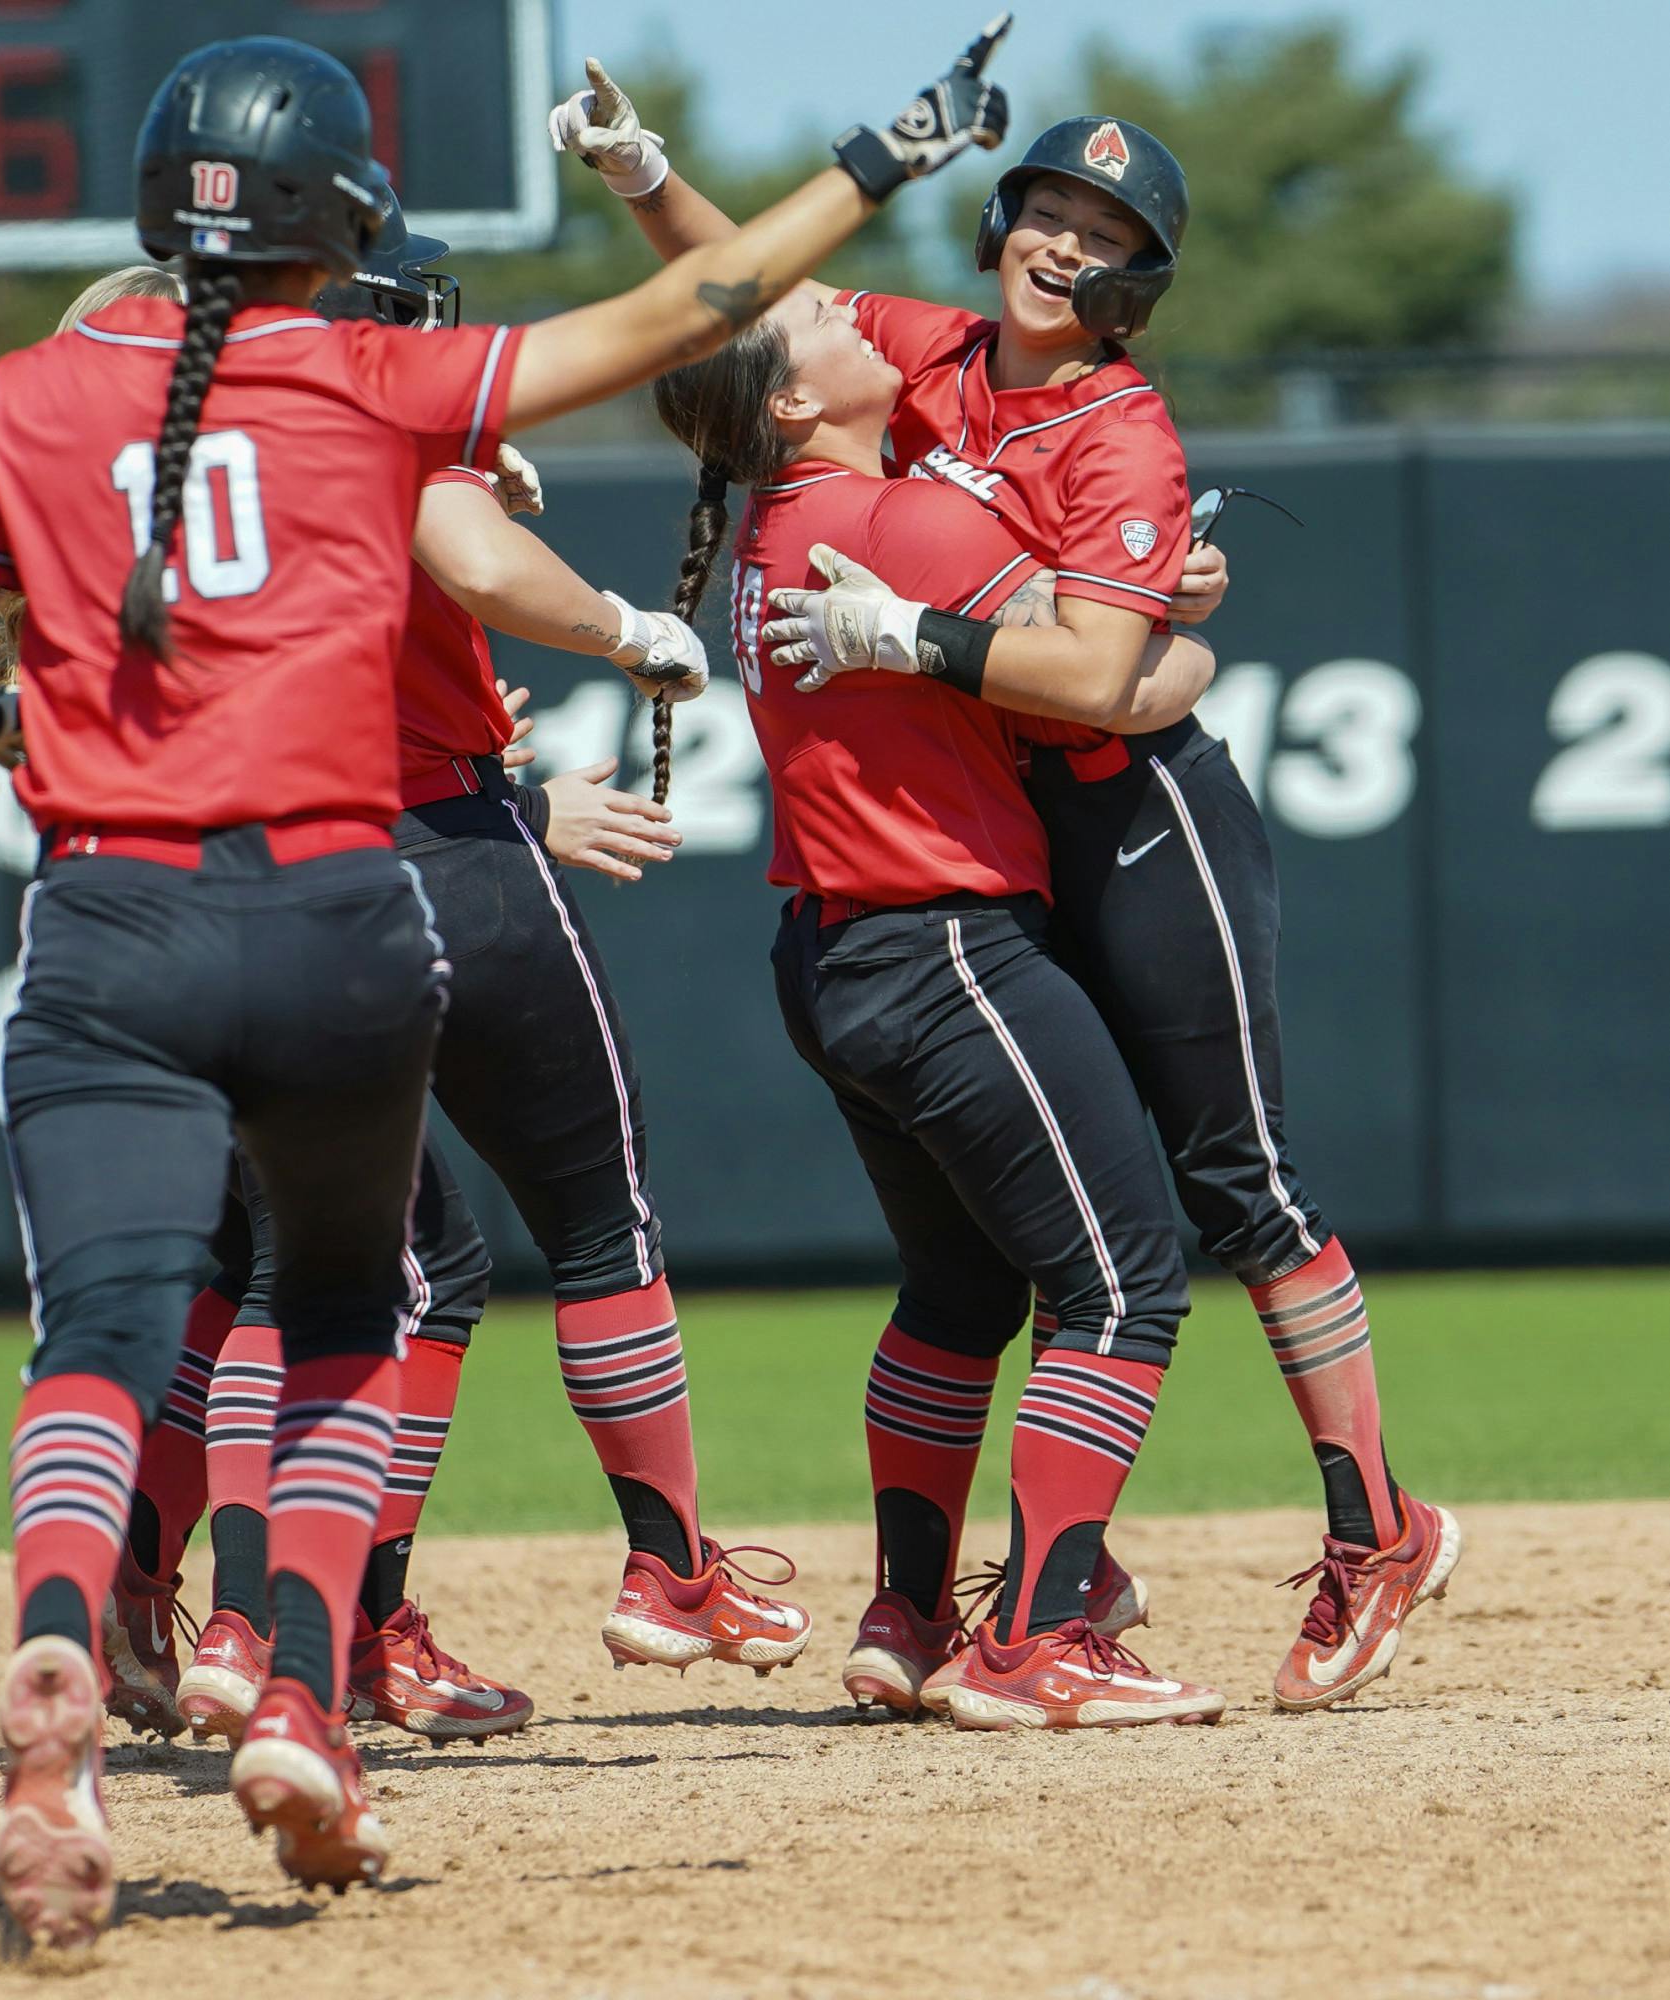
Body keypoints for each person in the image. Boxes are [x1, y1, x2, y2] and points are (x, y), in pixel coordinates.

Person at [0, 27, 1013, 1946]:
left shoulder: (25, 396)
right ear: (336, 217)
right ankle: (305, 1682)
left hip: (110, 921)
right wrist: (875, 159)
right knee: (356, 1319)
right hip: (334, 908)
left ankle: (62, 1668)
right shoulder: (374, 382)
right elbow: (691, 312)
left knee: (107, 1341)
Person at [556, 66, 1458, 1713]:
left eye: (1100, 233)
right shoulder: (929, 356)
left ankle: (1369, 1530)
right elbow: (758, 306)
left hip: (1131, 819)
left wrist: (997, 640)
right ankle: (998, 1595)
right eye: (1044, 208)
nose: (1058, 241)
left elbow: (1121, 686)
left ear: (1136, 281)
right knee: (1027, 1257)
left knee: (1233, 1185)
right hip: (995, 834)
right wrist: (645, 174)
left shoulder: (1119, 428)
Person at [117, 214, 811, 1753]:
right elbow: (462, 547)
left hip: (222, 876)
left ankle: (245, 1612)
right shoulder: (366, 406)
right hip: (431, 849)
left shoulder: (147, 448)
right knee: (585, 1222)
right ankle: (666, 1565)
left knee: (299, 1263)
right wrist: (623, 630)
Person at [650, 277, 1229, 1729]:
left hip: (832, 955)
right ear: (791, 403)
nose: (860, 326)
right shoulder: (903, 521)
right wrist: (1191, 624)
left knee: (960, 1291)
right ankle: (1038, 1639)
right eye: (824, 333)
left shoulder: (780, 527)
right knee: (1120, 1282)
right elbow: (1106, 681)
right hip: (947, 949)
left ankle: (907, 1612)